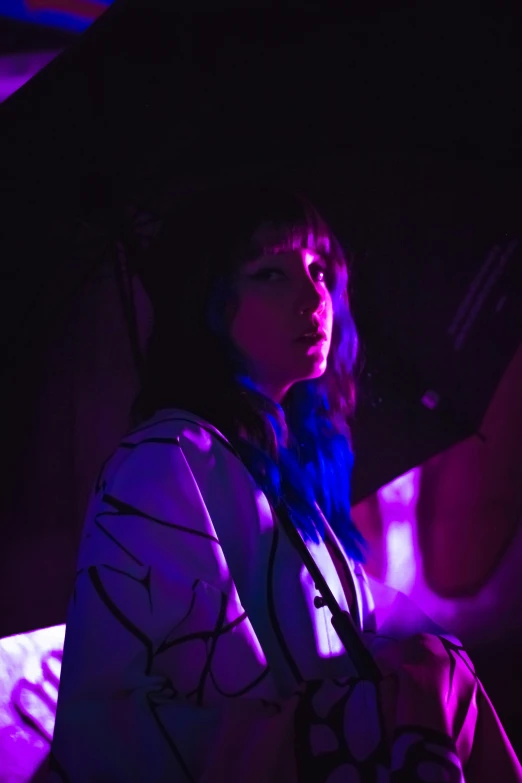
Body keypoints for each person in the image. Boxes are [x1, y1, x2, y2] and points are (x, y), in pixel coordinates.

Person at [49, 183, 522, 782]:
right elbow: (137, 720)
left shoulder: (283, 468)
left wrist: (418, 671)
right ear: (210, 305)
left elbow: (356, 635)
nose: (314, 295)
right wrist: (354, 718)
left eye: (321, 269)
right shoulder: (164, 461)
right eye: (271, 273)